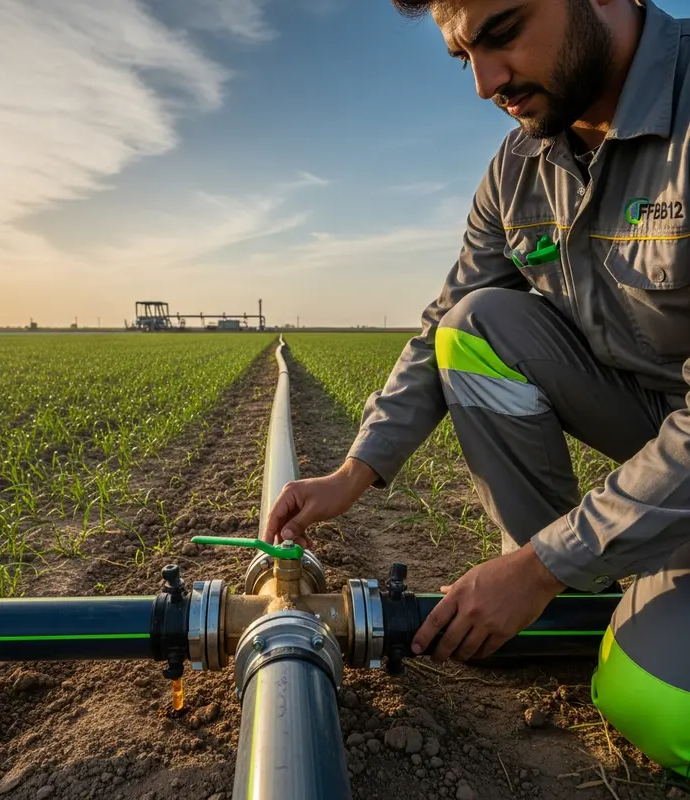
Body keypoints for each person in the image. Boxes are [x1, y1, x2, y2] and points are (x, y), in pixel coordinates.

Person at [262, 0, 690, 776]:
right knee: (474, 326)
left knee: (655, 700)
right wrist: (353, 471)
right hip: (666, 442)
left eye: (502, 33)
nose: (486, 81)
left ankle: (578, 588)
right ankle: (575, 604)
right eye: (464, 57)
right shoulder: (520, 167)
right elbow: (440, 327)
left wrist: (541, 564)